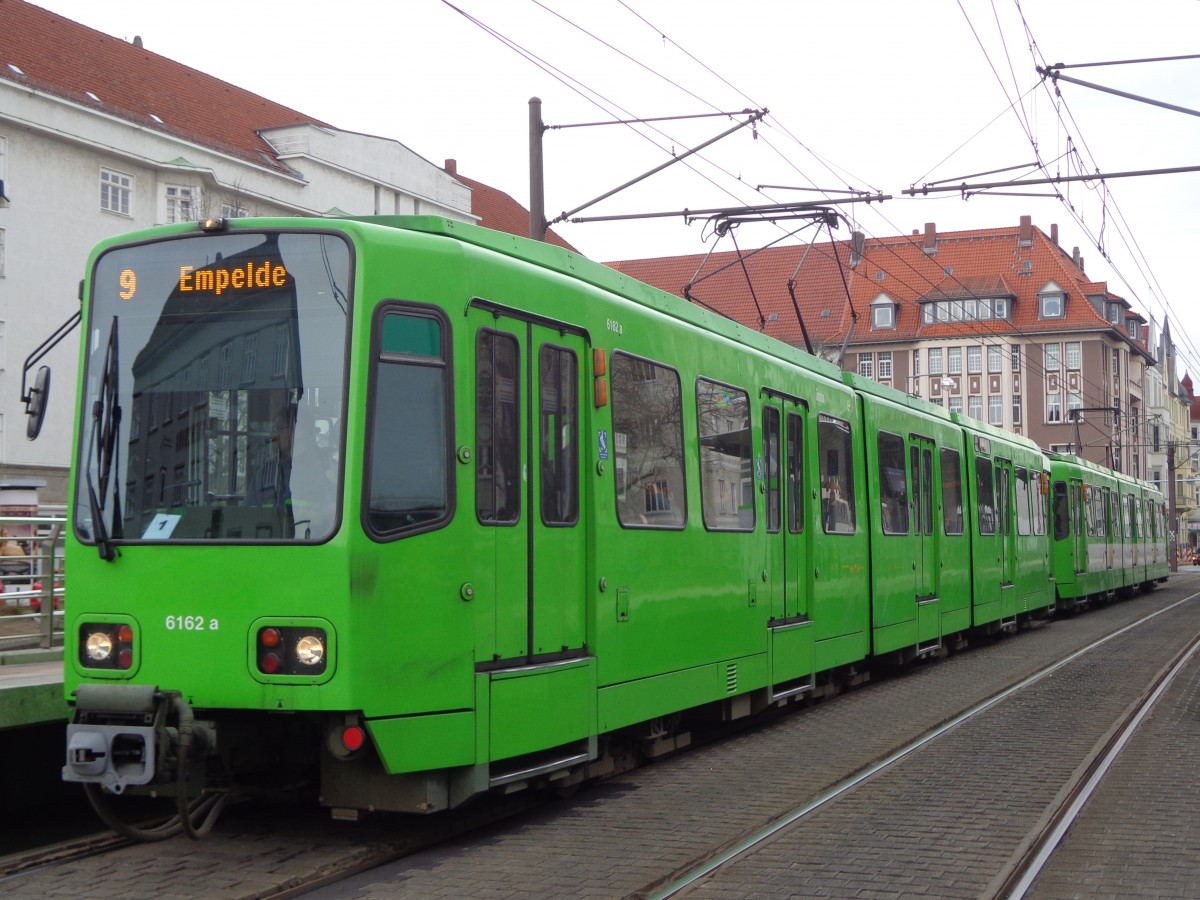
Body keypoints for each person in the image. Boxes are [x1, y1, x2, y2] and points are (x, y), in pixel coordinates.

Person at [246, 406, 295, 508]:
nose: (273, 436)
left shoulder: (322, 469)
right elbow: (247, 512)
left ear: (297, 429)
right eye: (274, 429)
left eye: (280, 429)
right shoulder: (267, 472)